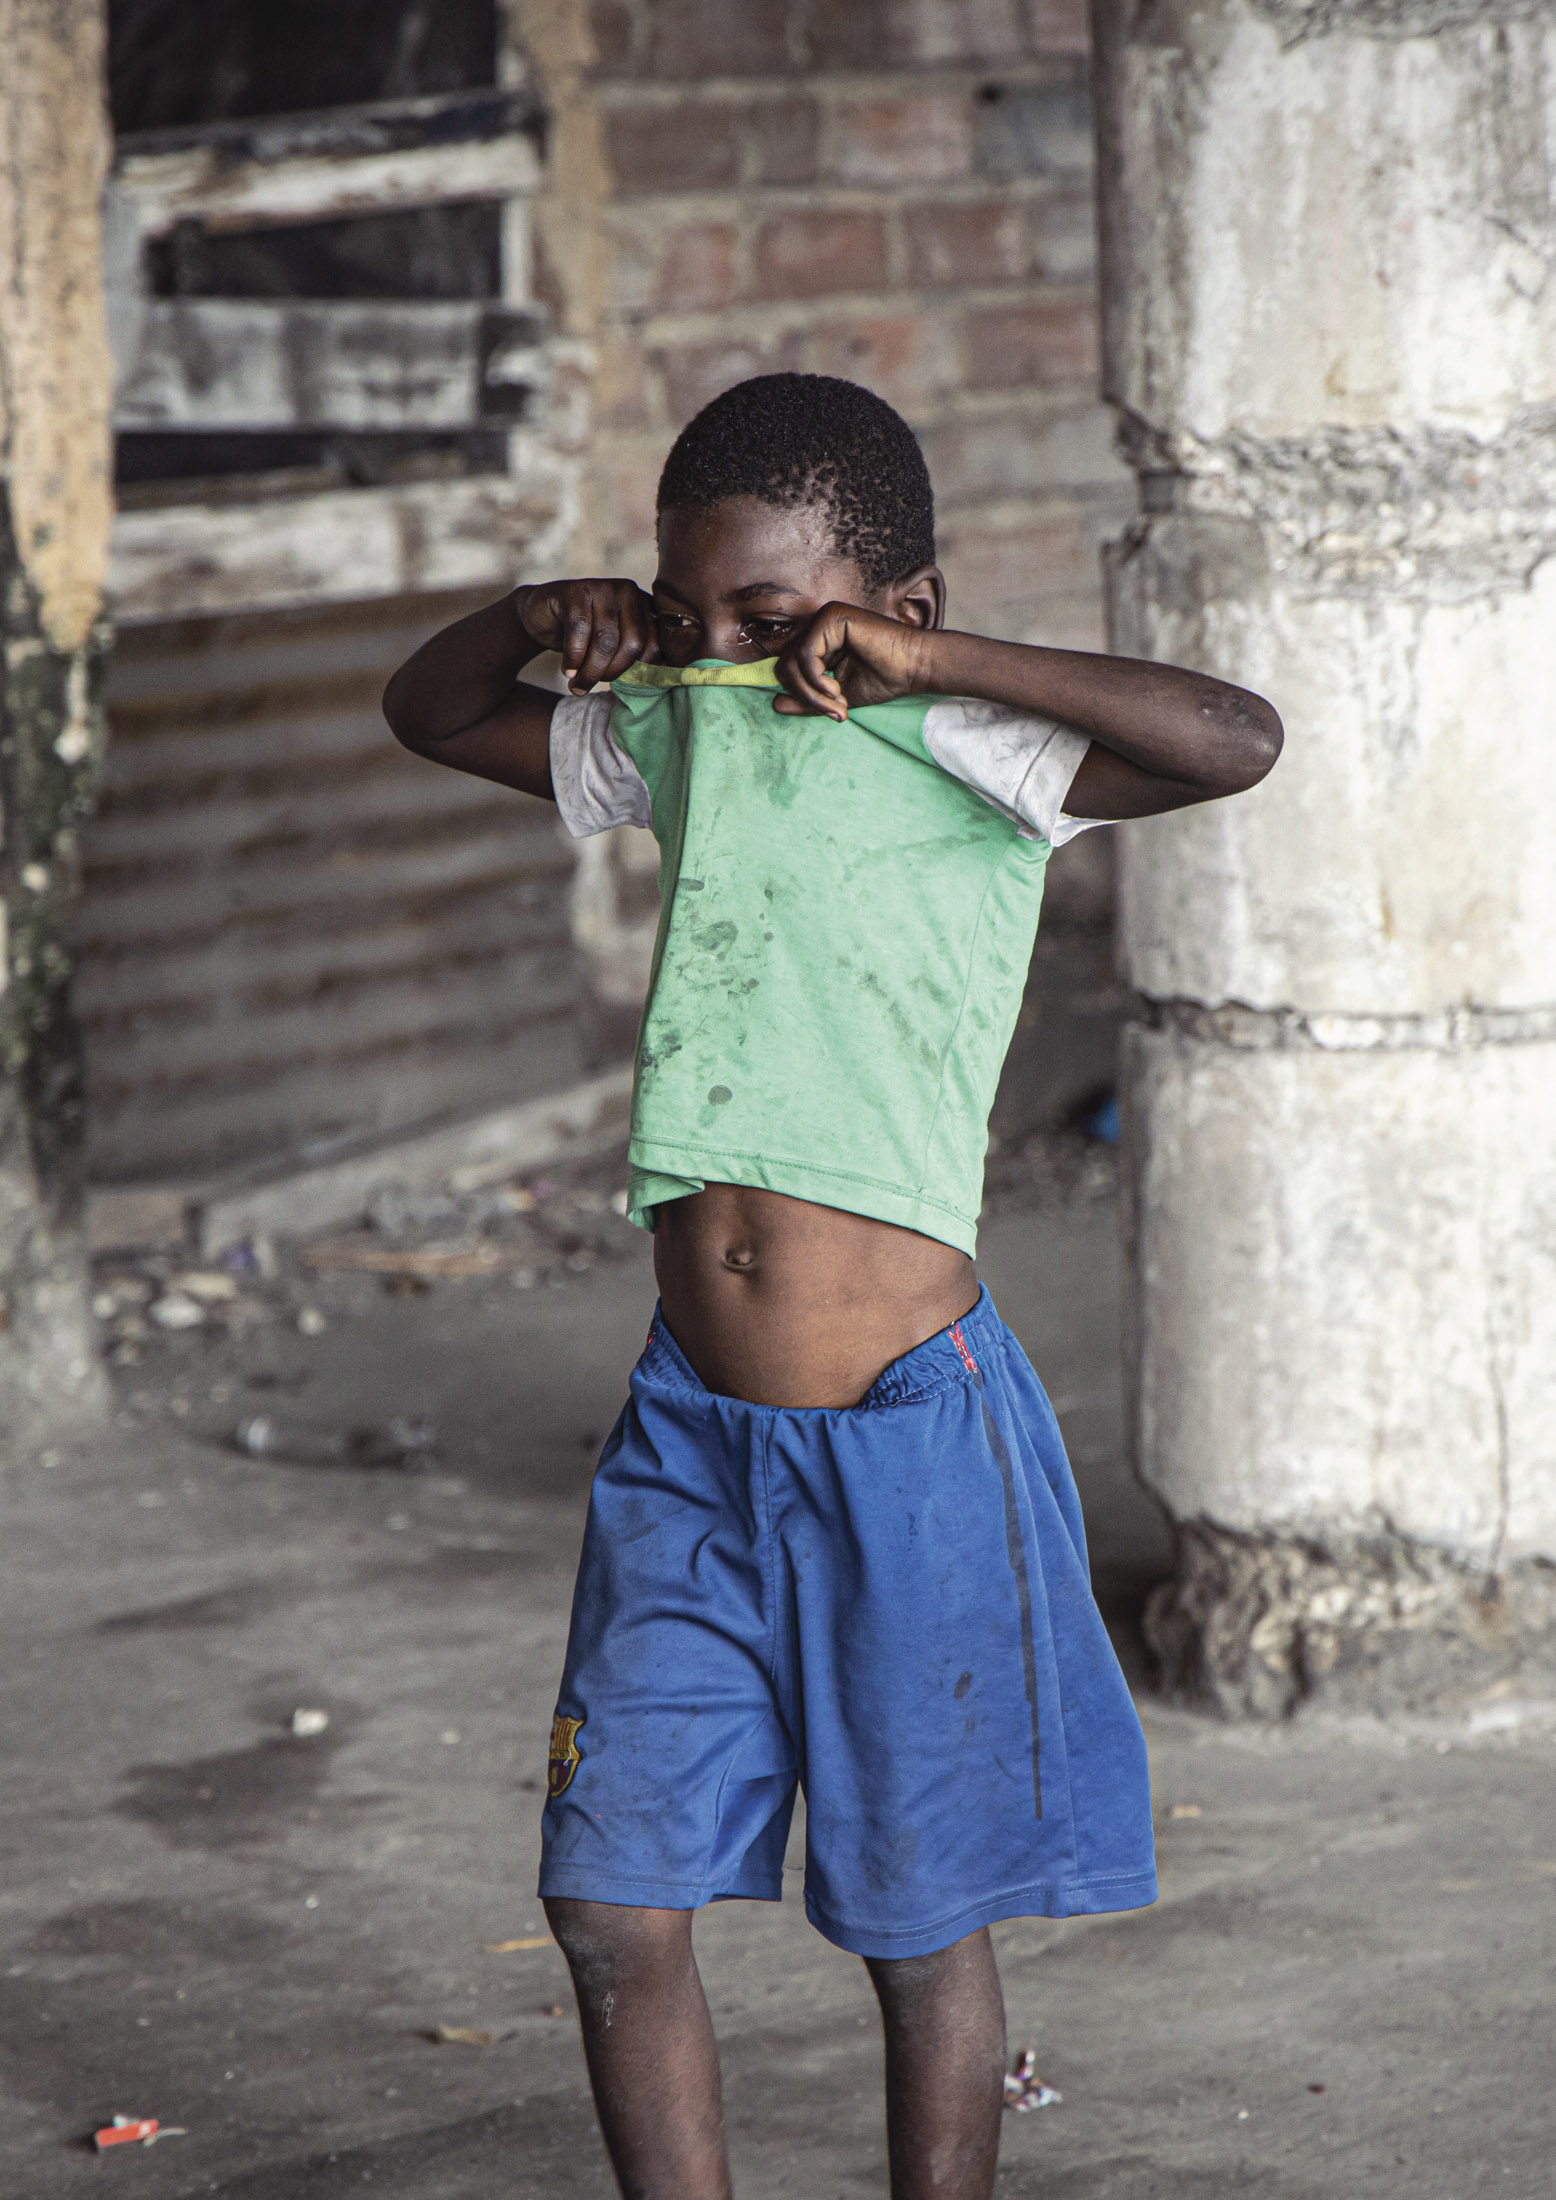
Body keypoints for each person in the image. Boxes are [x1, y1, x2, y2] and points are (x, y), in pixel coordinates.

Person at [383, 373, 1282, 2200]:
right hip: (689, 1436)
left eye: (767, 619)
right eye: (688, 608)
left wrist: (936, 670)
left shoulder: (971, 747)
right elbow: (433, 709)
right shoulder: (684, 726)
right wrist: (545, 618)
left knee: (914, 1920)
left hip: (907, 1440)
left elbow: (1232, 735)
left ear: (902, 607)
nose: (718, 649)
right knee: (608, 1904)